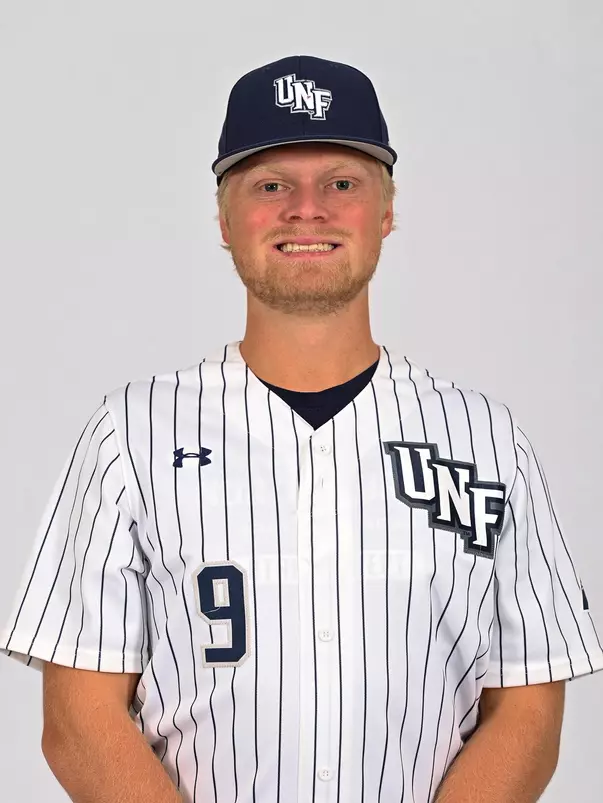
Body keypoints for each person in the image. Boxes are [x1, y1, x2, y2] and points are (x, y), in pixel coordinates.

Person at [1, 54, 601, 803]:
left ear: (386, 213)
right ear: (224, 220)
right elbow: (78, 719)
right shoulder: (130, 435)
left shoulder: (485, 440)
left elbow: (528, 709)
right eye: (271, 185)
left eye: (341, 184)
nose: (306, 210)